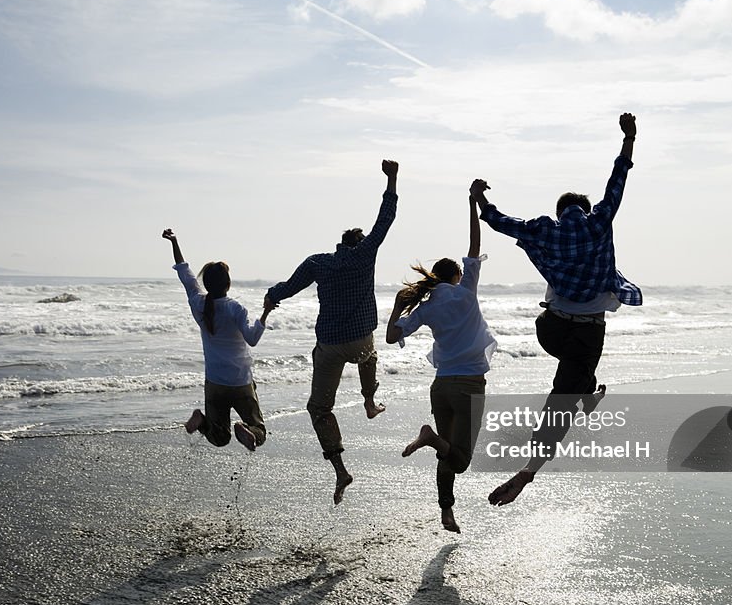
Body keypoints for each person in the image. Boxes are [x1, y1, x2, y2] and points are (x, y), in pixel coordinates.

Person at [470, 112, 642, 505]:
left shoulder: (546, 228)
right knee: (562, 397)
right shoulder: (600, 223)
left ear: (561, 209)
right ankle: (529, 470)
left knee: (576, 376)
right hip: (586, 333)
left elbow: (501, 222)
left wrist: (480, 198)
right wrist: (629, 139)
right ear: (584, 207)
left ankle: (585, 393)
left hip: (547, 330)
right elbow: (618, 183)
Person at [264, 160, 398, 505]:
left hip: (329, 345)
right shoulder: (365, 256)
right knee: (368, 353)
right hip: (360, 341)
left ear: (339, 243)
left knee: (320, 408)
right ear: (359, 243)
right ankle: (369, 401)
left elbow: (289, 288)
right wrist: (392, 178)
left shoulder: (318, 263)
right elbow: (385, 220)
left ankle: (340, 469)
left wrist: (271, 297)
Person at [385, 193, 496, 533]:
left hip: (442, 387)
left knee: (447, 451)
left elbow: (391, 337)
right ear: (458, 275)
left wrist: (396, 305)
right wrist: (474, 202)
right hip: (469, 386)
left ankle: (447, 511)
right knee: (459, 460)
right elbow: (475, 242)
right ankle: (428, 437)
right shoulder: (466, 293)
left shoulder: (427, 307)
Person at [162, 228, 275, 452]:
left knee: (219, 437)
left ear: (208, 284)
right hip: (240, 380)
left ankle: (202, 421)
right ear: (228, 284)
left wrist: (174, 242)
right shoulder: (236, 308)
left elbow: (185, 274)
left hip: (215, 381)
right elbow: (252, 339)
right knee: (259, 432)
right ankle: (247, 430)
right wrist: (266, 313)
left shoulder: (198, 303)